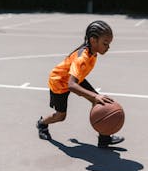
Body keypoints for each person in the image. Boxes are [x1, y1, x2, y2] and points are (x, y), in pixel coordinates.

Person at [37, 20, 124, 148]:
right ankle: (42, 123)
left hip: (76, 78)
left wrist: (95, 98)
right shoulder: (82, 58)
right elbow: (71, 85)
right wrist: (94, 96)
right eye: (105, 43)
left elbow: (75, 80)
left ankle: (104, 139)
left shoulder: (93, 51)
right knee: (61, 116)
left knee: (101, 102)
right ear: (93, 40)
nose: (108, 47)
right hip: (59, 82)